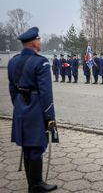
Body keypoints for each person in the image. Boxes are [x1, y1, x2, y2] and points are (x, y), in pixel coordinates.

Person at [7, 27, 58, 192]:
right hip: (36, 110)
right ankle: (36, 185)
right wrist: (50, 117)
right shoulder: (41, 62)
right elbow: (46, 94)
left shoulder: (13, 61)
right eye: (39, 39)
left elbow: (12, 89)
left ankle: (33, 183)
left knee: (27, 147)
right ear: (34, 42)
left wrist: (20, 105)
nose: (40, 42)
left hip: (21, 109)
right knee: (36, 146)